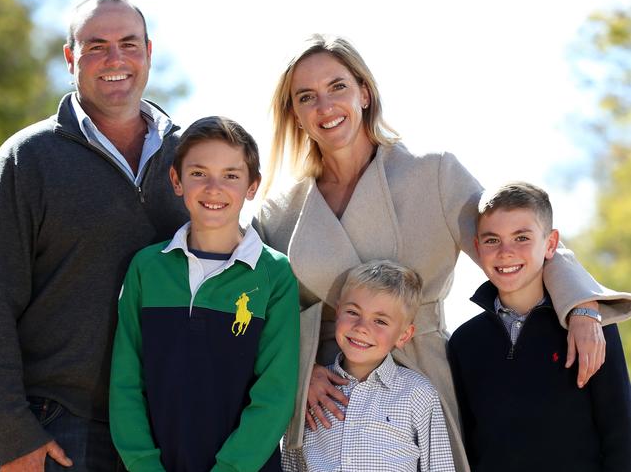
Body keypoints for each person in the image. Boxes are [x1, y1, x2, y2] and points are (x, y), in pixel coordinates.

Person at [253, 33, 631, 472]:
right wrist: (300, 374)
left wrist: (582, 307)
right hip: (330, 405)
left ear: (364, 92)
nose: (325, 106)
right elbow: (256, 313)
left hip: (424, 379)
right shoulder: (280, 214)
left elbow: (516, 238)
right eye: (306, 96)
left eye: (337, 86)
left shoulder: (432, 173)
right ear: (294, 114)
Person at [0, 0, 188, 471]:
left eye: (128, 43)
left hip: (170, 426)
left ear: (149, 52)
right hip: (59, 427)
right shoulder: (26, 159)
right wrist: (12, 433)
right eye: (96, 46)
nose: (115, 59)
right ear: (71, 57)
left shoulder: (194, 157)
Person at [109, 116, 300, 471]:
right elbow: (125, 383)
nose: (214, 188)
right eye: (199, 173)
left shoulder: (274, 274)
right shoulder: (147, 269)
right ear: (176, 181)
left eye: (231, 175)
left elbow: (275, 394)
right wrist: (143, 464)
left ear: (252, 186)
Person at [448, 182, 631, 471]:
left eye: (521, 238)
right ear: (477, 247)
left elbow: (622, 431)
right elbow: (470, 442)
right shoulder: (464, 342)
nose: (506, 252)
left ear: (550, 244)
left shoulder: (590, 327)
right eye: (492, 240)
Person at [282, 260, 456, 472]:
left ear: (404, 335)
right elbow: (291, 461)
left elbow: (440, 466)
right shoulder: (311, 390)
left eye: (380, 321)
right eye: (353, 313)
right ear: (338, 312)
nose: (362, 328)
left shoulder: (418, 393)